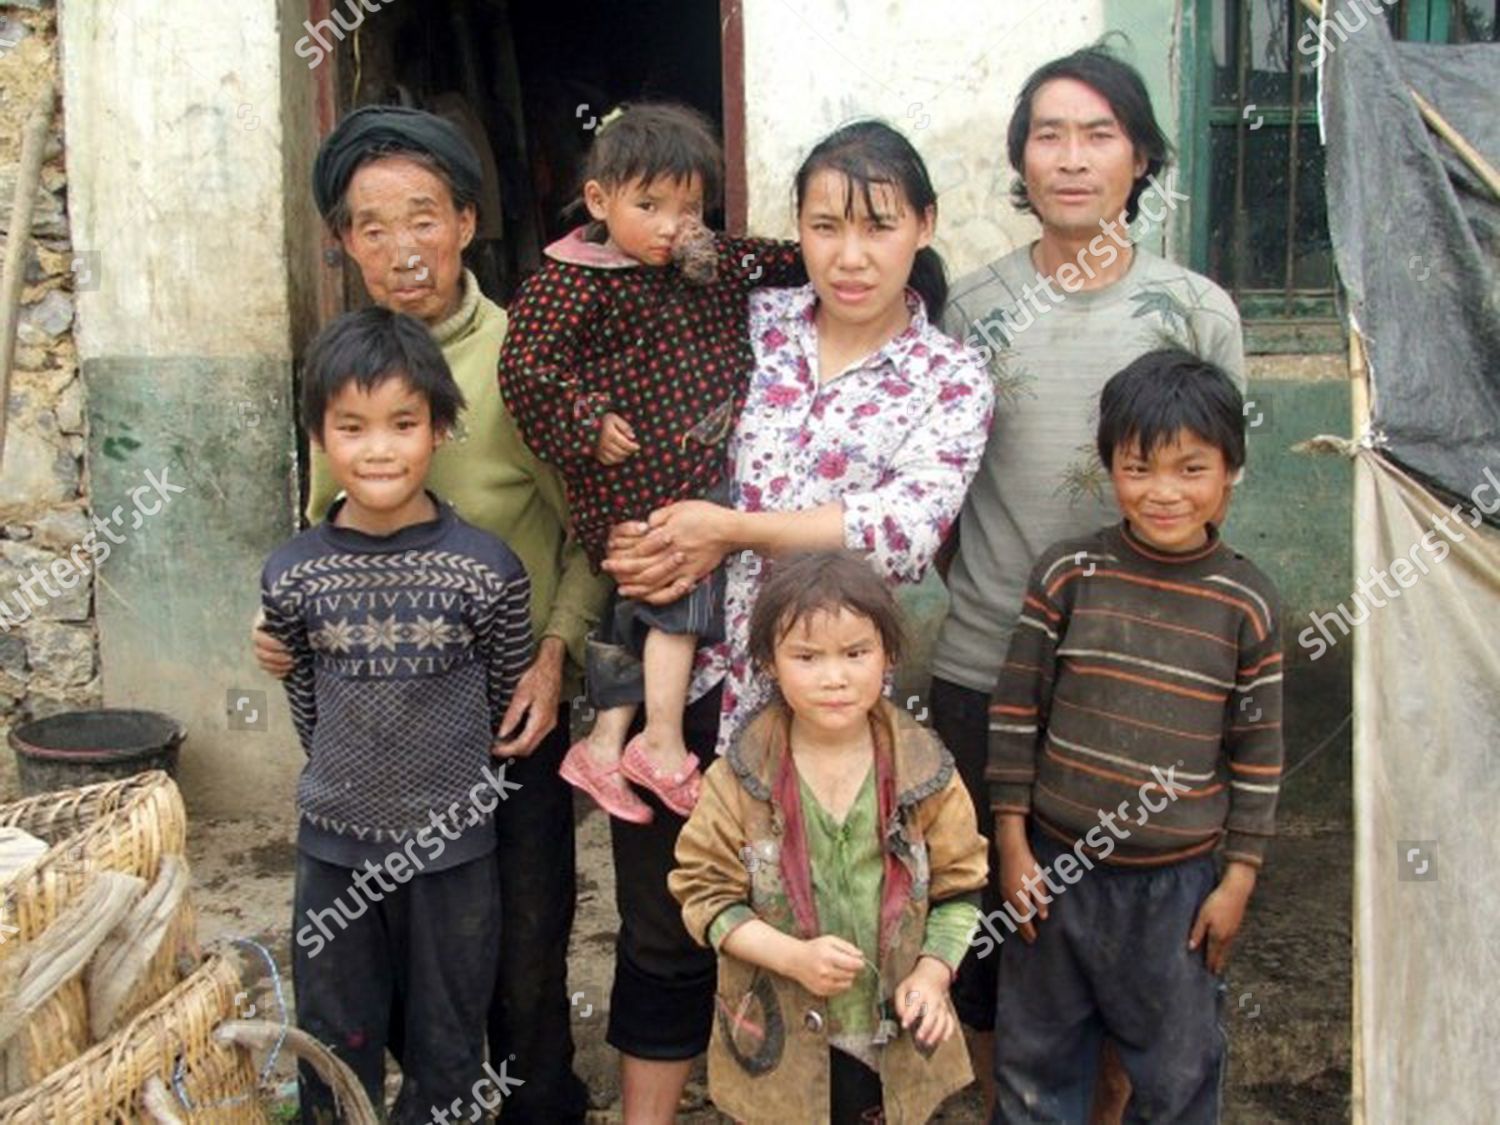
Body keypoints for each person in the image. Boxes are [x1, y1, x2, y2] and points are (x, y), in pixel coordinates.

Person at [598, 120, 993, 1123]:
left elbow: (899, 533)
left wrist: (730, 527)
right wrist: (628, 521)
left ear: (924, 227)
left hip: (827, 703)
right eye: (824, 226)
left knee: (827, 926)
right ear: (797, 231)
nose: (849, 255)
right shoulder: (751, 318)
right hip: (685, 674)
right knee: (665, 920)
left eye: (877, 227)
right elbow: (645, 402)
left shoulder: (950, 377)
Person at [254, 105, 608, 1123]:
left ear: (462, 221)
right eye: (370, 226)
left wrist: (553, 658)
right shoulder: (346, 364)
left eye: (421, 217)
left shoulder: (524, 360)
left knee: (524, 953)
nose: (399, 248)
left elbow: (594, 530)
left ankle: (537, 1104)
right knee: (396, 967)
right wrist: (285, 637)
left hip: (510, 714)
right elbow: (318, 527)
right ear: (345, 244)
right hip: (388, 734)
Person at [927, 46, 1248, 1085]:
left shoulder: (1195, 311)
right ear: (1022, 158)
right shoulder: (969, 313)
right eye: (1049, 134)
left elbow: (1210, 493)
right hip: (985, 669)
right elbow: (937, 490)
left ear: (1142, 155)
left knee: (1130, 949)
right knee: (985, 932)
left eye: (1099, 133)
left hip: (1147, 688)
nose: (1072, 158)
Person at [984, 350, 1283, 1122]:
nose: (1164, 492)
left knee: (1178, 1077)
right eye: (1139, 467)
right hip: (1055, 872)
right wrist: (1012, 846)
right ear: (1110, 466)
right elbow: (1017, 711)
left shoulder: (1245, 602)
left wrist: (1238, 879)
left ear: (1231, 472)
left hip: (1178, 890)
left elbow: (1257, 753)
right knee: (1034, 1068)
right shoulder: (1069, 574)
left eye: (1191, 469)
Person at [260, 308, 533, 1121]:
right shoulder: (292, 575)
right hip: (334, 851)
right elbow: (306, 701)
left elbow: (499, 697)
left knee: (447, 1045)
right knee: (331, 1041)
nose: (378, 447)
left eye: (403, 423)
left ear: (442, 428)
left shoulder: (487, 570)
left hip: (452, 854)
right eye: (352, 425)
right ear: (319, 434)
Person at [498, 102, 804, 824]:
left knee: (631, 607)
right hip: (636, 479)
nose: (672, 225)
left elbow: (777, 259)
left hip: (688, 471)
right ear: (600, 201)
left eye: (689, 208)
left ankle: (606, 744)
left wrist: (829, 248)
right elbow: (525, 370)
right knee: (675, 592)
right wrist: (588, 419)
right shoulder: (571, 281)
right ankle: (658, 743)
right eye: (649, 205)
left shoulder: (707, 262)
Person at [670, 551, 988, 1124]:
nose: (835, 676)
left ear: (889, 654)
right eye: (807, 656)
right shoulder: (739, 778)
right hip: (782, 1040)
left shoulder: (927, 771)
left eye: (856, 653)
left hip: (895, 1034)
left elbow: (961, 889)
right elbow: (704, 895)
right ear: (769, 662)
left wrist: (932, 974)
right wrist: (791, 957)